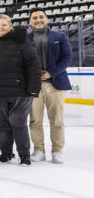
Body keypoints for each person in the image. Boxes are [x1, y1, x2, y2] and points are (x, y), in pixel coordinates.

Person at [0, 15, 41, 166]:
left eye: (4, 25)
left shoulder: (22, 42)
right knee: (4, 125)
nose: (1, 28)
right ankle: (5, 154)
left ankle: (24, 155)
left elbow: (33, 65)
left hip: (20, 92)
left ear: (10, 26)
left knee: (17, 122)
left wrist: (33, 88)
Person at [28, 9, 72, 164]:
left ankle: (57, 150)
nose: (38, 20)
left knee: (57, 120)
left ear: (46, 19)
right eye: (34, 18)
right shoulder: (25, 39)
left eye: (41, 17)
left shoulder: (59, 36)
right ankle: (38, 149)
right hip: (34, 84)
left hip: (55, 83)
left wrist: (50, 73)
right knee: (35, 120)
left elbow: (67, 58)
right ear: (30, 21)